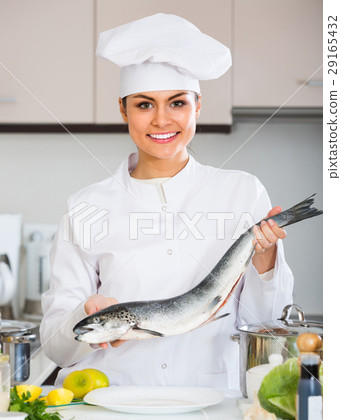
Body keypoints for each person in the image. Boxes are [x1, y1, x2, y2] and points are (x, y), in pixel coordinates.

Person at [40, 13, 293, 391]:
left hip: (210, 403)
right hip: (111, 403)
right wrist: (86, 316)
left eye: (177, 103)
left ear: (198, 106)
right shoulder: (85, 207)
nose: (161, 120)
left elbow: (268, 322)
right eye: (144, 105)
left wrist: (264, 260)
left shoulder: (243, 192)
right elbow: (56, 348)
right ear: (123, 109)